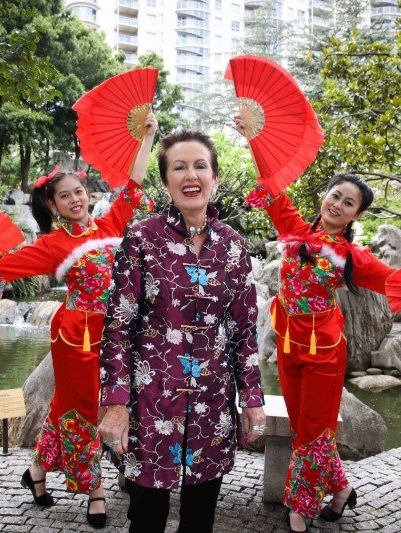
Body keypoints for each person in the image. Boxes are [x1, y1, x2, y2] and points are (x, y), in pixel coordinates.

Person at [235, 113, 401, 531]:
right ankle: (340, 490)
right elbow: (272, 185)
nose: (337, 205)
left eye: (348, 203)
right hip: (286, 345)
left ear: (355, 214)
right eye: (335, 196)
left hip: (323, 351)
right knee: (306, 426)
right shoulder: (294, 230)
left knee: (314, 431)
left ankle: (300, 506)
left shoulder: (354, 259)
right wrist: (253, 138)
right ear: (324, 195)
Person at [0, 114, 158, 529]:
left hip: (117, 335)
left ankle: (36, 472)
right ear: (53, 204)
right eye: (65, 196)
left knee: (95, 405)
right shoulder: (52, 246)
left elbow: (134, 184)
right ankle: (95, 489)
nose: (75, 200)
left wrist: (147, 138)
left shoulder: (109, 226)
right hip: (76, 336)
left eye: (80, 192)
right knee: (84, 408)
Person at [98, 130, 267, 533]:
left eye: (199, 165)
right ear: (165, 180)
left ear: (215, 177)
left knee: (200, 518)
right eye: (179, 167)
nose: (190, 175)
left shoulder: (233, 246)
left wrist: (252, 398)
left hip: (212, 401)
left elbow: (244, 330)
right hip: (150, 402)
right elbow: (118, 326)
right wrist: (116, 404)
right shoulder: (141, 238)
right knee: (147, 516)